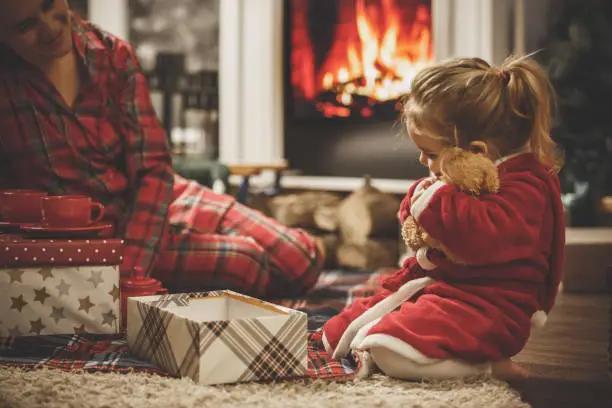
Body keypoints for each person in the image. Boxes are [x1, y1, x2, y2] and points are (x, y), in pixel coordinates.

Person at [0, 0, 323, 298]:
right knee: (247, 263)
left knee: (302, 259)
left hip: (162, 197)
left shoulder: (112, 54)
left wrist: (134, 264)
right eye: (26, 26)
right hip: (96, 235)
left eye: (48, 4)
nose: (50, 27)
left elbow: (153, 168)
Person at [322, 56, 565, 380]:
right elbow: (421, 218)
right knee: (339, 329)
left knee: (391, 348)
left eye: (433, 155)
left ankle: (489, 365)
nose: (423, 160)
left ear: (476, 153)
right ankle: (392, 341)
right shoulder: (471, 176)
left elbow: (475, 236)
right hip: (446, 291)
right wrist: (426, 199)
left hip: (489, 310)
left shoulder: (526, 189)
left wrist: (434, 198)